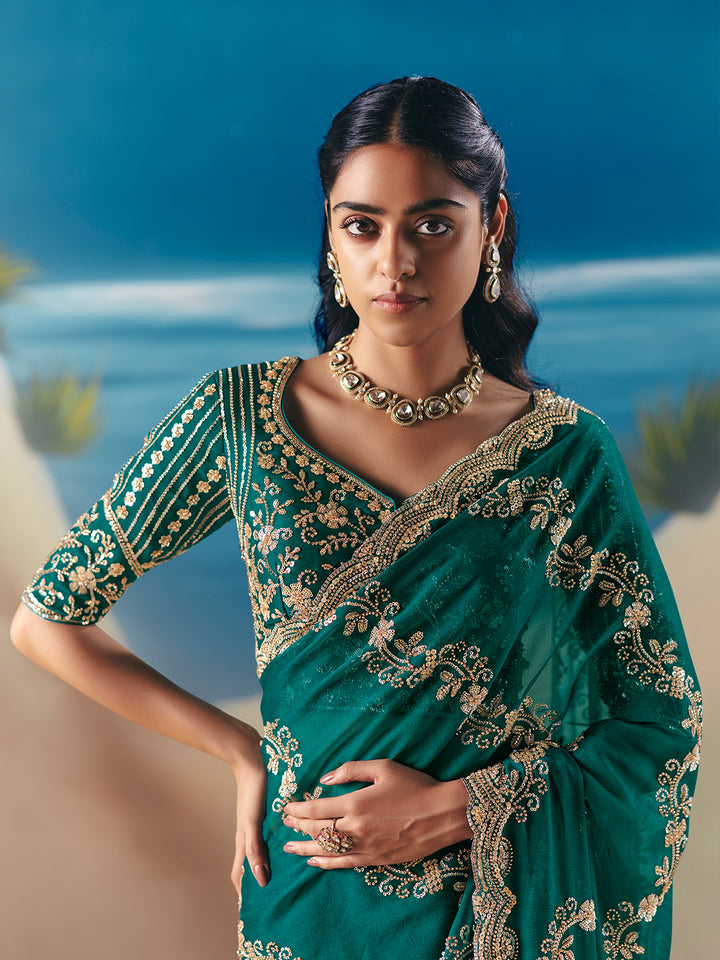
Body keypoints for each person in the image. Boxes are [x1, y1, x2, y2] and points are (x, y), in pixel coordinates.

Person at [11, 76, 701, 960]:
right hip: (311, 899)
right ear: (331, 236)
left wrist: (457, 809)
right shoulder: (242, 419)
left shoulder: (563, 455)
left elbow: (658, 717)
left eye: (433, 224)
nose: (395, 263)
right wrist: (240, 751)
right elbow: (46, 620)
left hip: (496, 912)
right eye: (362, 224)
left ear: (492, 229)